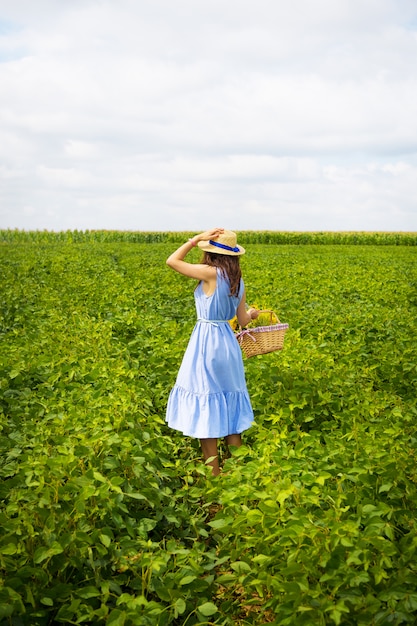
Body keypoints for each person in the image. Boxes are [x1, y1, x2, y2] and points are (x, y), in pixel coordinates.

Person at [165, 228, 259, 476]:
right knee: (230, 401)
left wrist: (194, 240)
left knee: (207, 398)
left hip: (206, 343)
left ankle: (214, 475)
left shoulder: (210, 273)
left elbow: (172, 261)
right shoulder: (238, 281)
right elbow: (242, 320)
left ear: (211, 253)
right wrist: (251, 315)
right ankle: (237, 471)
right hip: (228, 345)